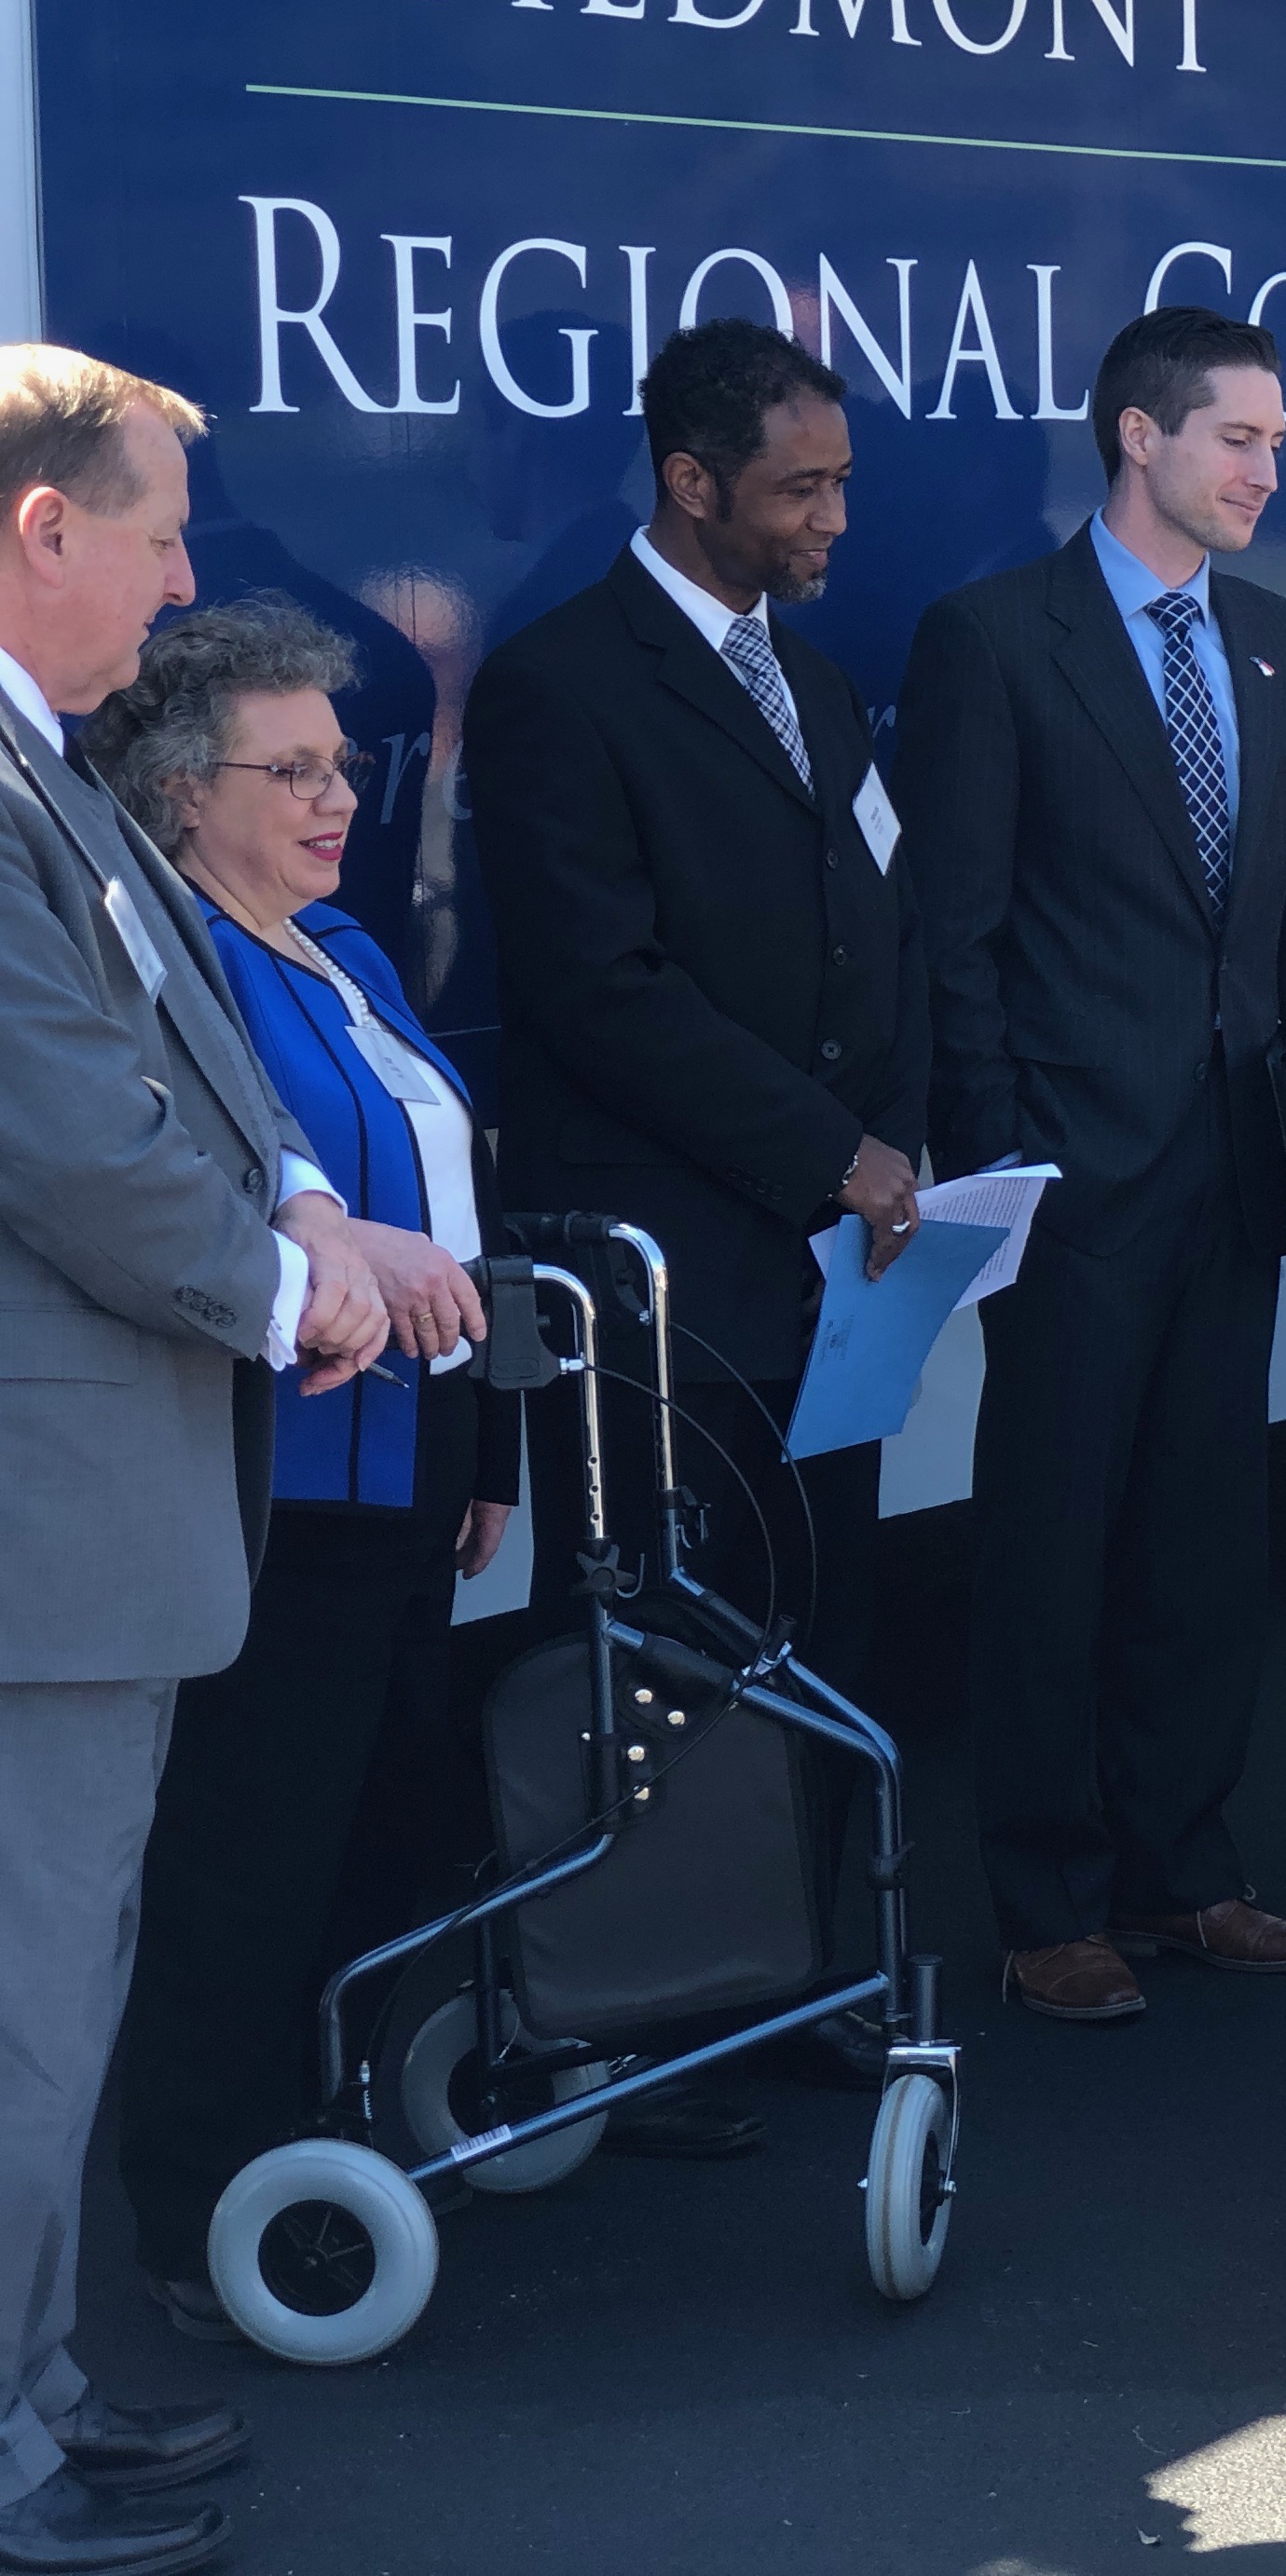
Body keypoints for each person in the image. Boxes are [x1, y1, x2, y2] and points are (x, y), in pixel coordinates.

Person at [0, 349, 395, 2576]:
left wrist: (307, 1212)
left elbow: (188, 1084)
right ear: (42, 530)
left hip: (104, 1522)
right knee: (19, 2019)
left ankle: (37, 2400)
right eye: (154, 533)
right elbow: (62, 1125)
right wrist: (290, 1287)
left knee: (59, 2006)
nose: (180, 581)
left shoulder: (40, 772)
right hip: (39, 1529)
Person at [463, 317, 928, 2107]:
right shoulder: (560, 682)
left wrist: (901, 1139)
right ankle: (655, 2007)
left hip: (835, 1257)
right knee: (672, 1629)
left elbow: (876, 925)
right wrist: (831, 1145)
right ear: (690, 482)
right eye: (800, 487)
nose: (833, 519)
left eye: (842, 482)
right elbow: (602, 988)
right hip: (669, 1263)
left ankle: (803, 1969)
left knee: (824, 1613)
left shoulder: (808, 682)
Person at [897, 306, 1286, 2024]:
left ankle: (1192, 1871)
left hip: (1240, 1168)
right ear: (1138, 439)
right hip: (1069, 1178)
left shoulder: (1274, 639)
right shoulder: (994, 639)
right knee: (1052, 1539)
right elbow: (953, 937)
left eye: (1272, 441)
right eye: (1238, 438)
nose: (1267, 470)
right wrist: (996, 1169)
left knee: (1202, 1532)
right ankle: (1047, 1901)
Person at [81, 598, 522, 2346]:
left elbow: (445, 1221)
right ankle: (199, 2214)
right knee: (247, 1852)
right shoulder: (179, 969)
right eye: (296, 769)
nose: (341, 796)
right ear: (185, 791)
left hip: (409, 1463)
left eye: (343, 764)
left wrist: (479, 1434)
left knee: (387, 1820)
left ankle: (334, 2135)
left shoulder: (342, 943)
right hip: (284, 1479)